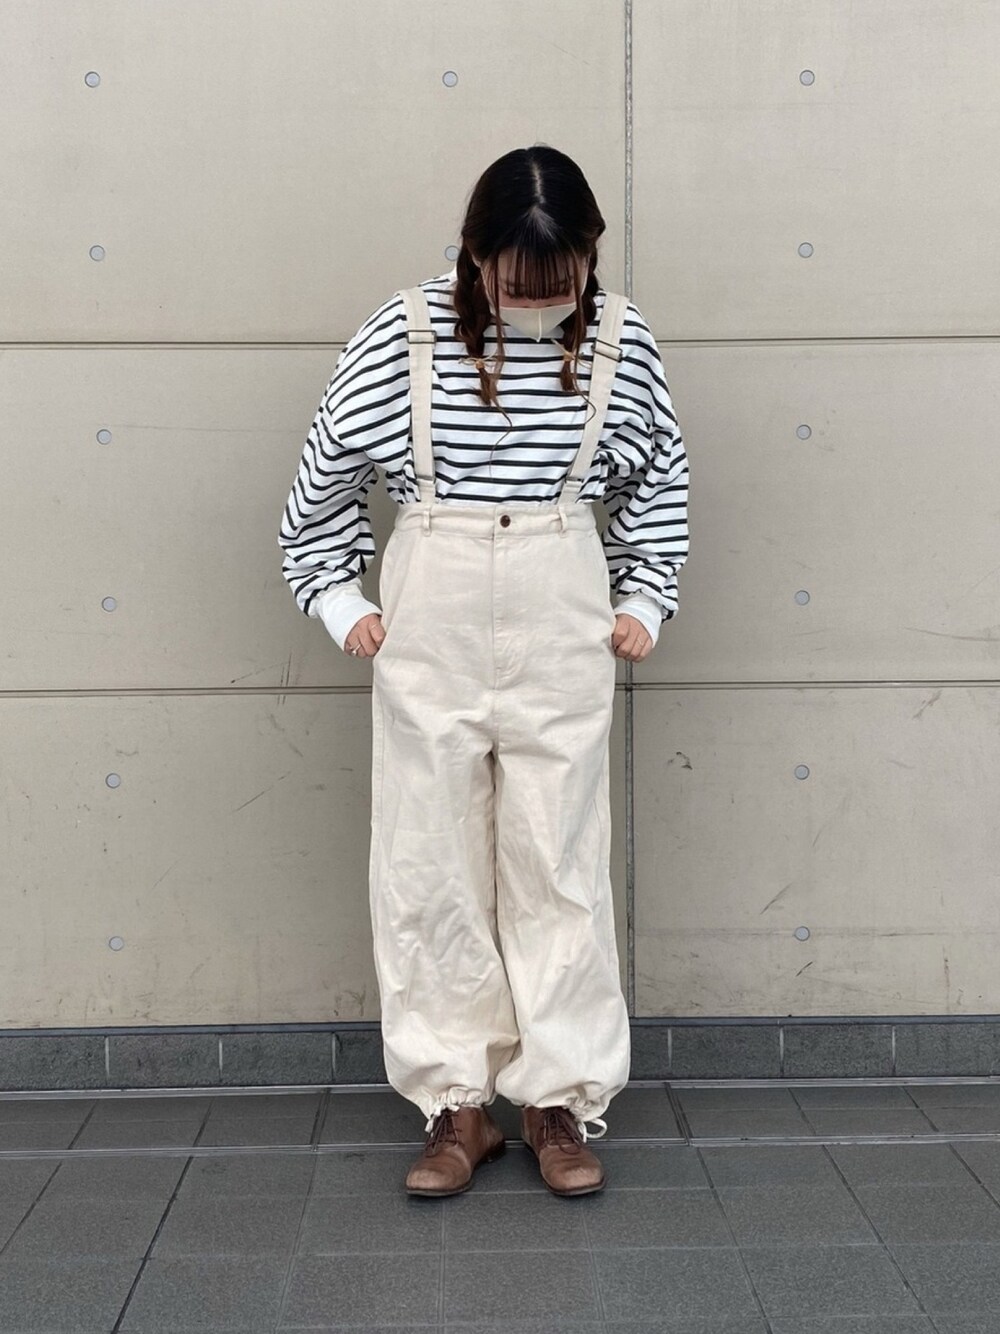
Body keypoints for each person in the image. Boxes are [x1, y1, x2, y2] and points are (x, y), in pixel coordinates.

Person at [278, 145, 690, 1198]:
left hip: (562, 601)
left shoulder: (622, 339)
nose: (542, 306)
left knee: (559, 858)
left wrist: (644, 595)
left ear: (591, 257)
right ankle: (455, 1103)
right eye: (518, 286)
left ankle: (559, 1099)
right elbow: (322, 480)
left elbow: (658, 478)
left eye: (563, 285)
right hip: (434, 602)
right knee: (428, 859)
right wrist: (341, 600)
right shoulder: (403, 335)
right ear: (474, 255)